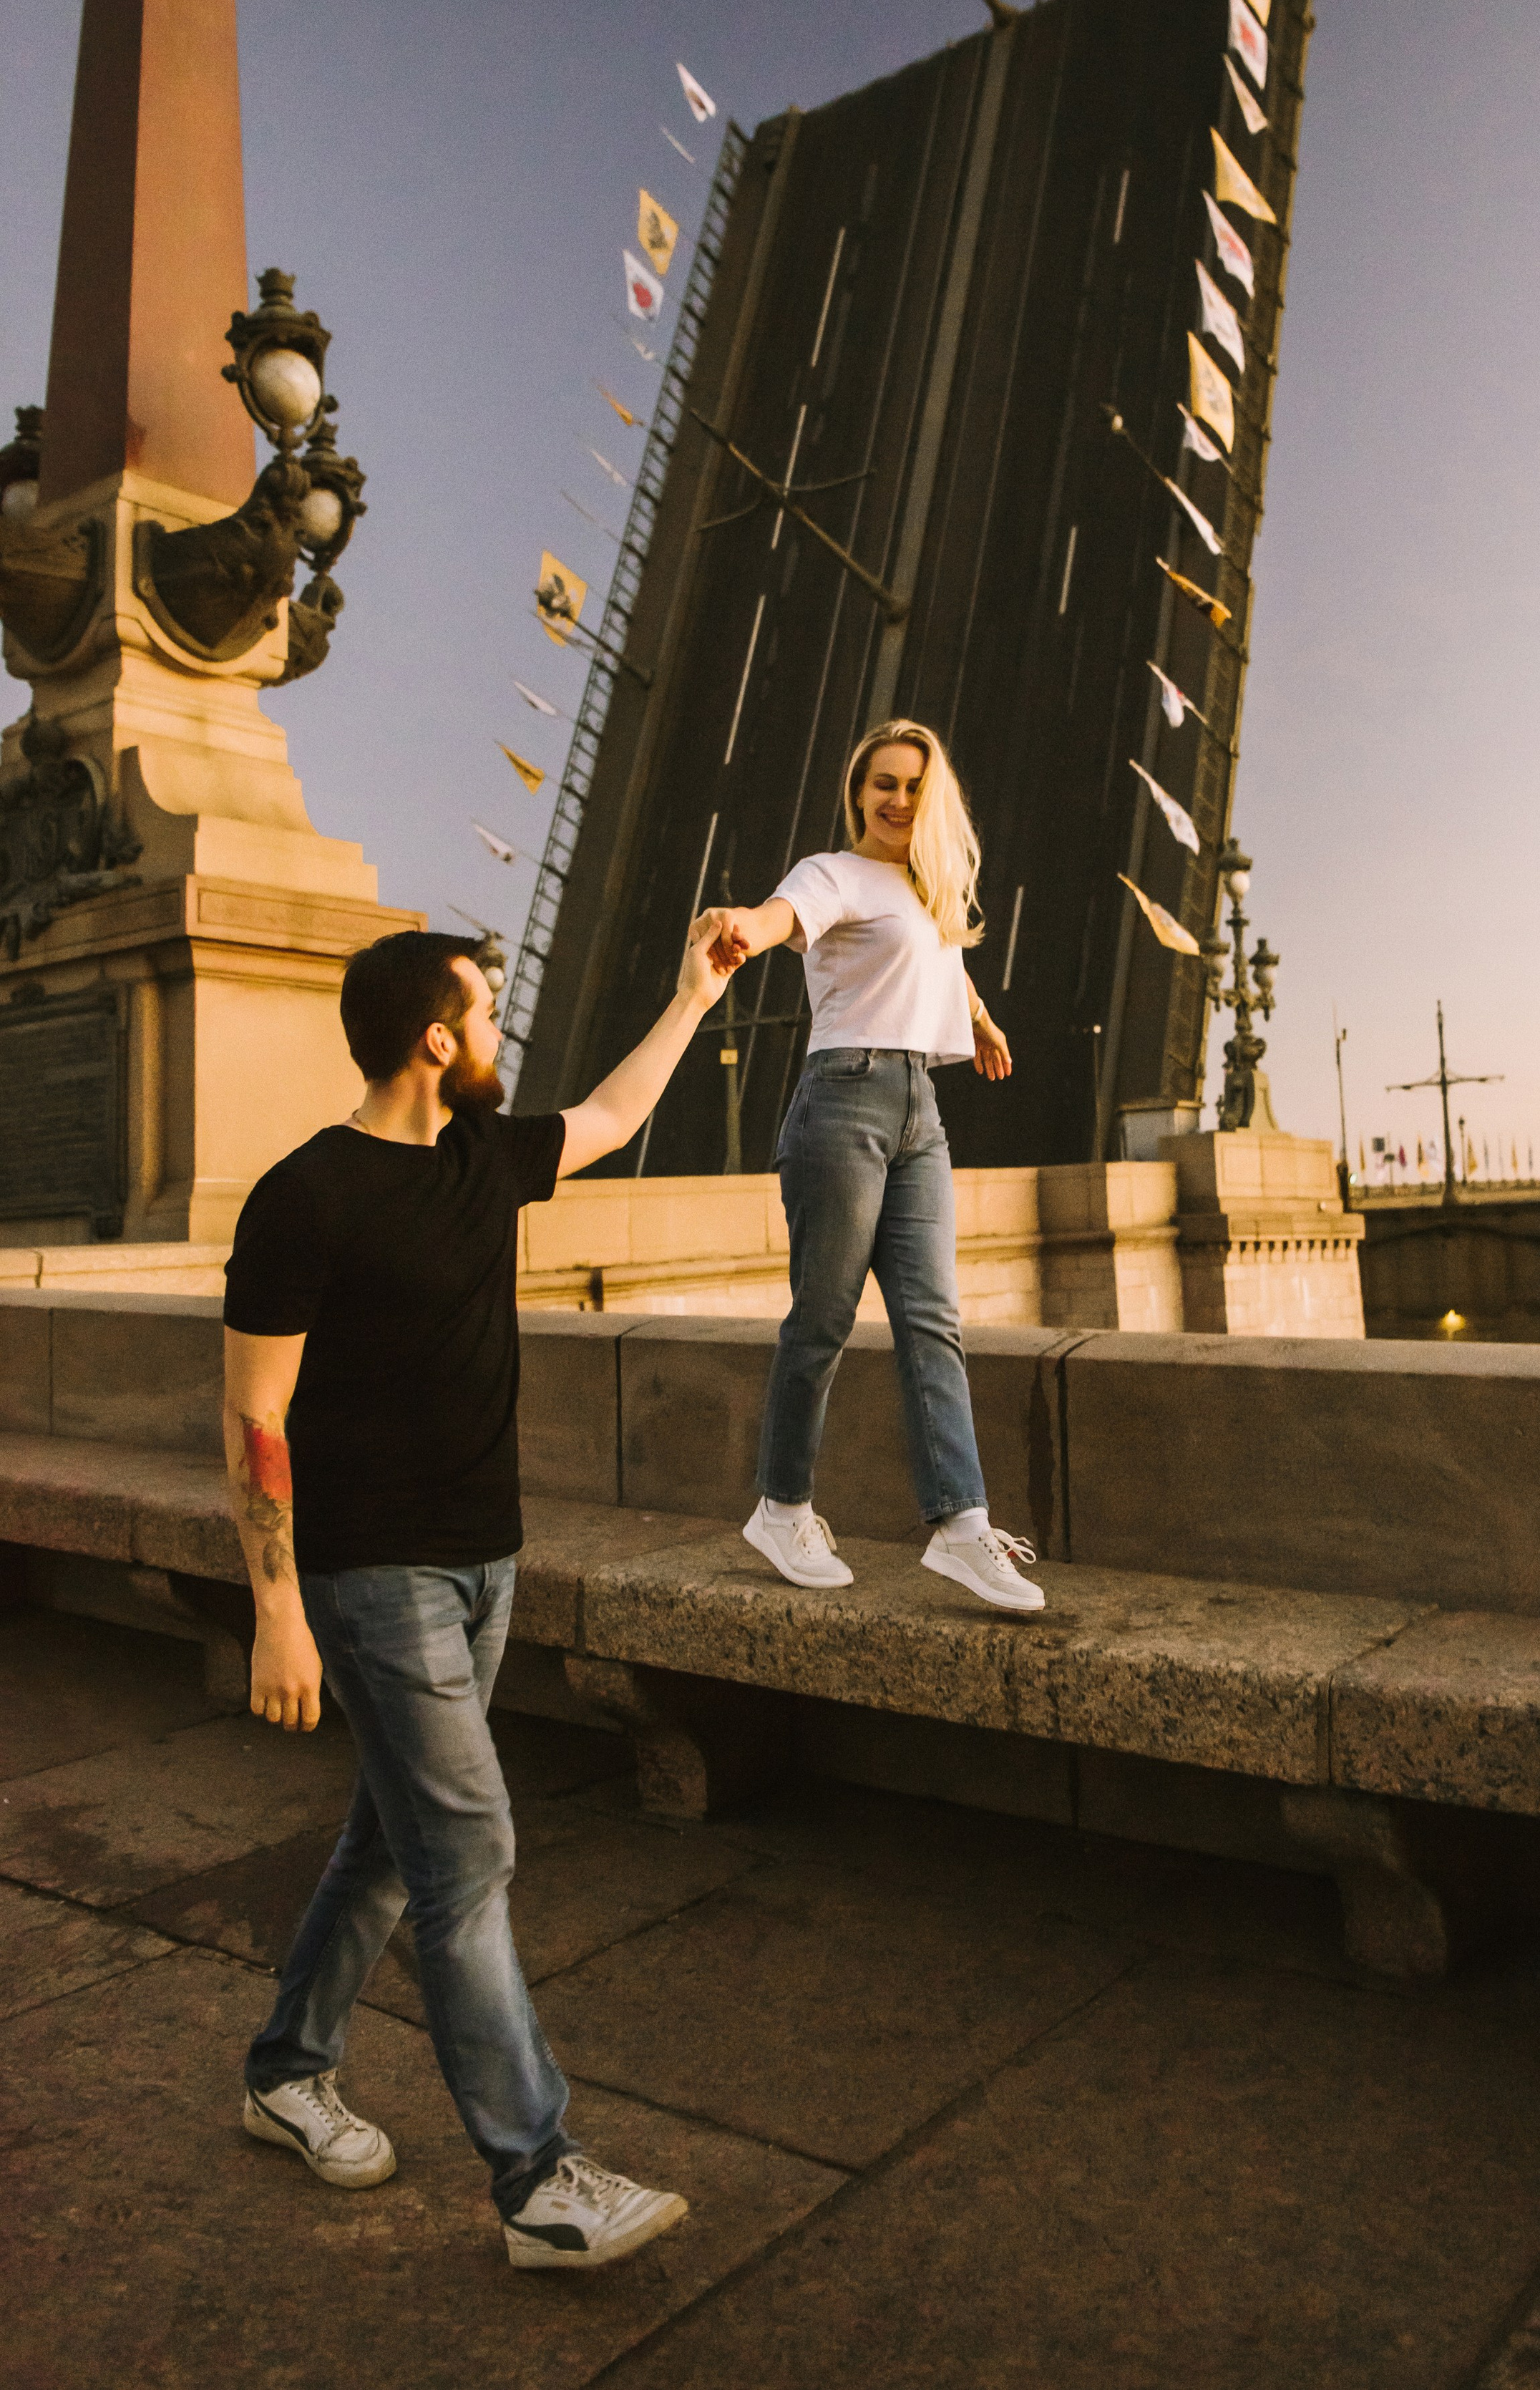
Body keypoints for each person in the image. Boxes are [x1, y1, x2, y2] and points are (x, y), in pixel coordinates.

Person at [222, 917, 728, 2270]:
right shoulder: (304, 1196)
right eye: (488, 1013)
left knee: (393, 1843)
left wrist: (692, 994)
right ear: (436, 1039)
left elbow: (613, 1114)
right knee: (469, 1852)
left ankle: (286, 2070)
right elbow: (255, 1415)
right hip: (369, 1574)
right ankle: (539, 2179)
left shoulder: (482, 1156)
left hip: (485, 1561)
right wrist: (277, 1610)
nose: (505, 1030)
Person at [706, 719, 1046, 1616]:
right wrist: (742, 926)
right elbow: (781, 918)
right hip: (843, 1103)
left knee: (933, 1320)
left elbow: (942, 958)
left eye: (913, 786)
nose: (898, 800)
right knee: (823, 1317)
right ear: (858, 791)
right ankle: (782, 1508)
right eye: (883, 783)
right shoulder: (833, 874)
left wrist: (981, 1020)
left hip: (919, 1110)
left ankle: (962, 1526)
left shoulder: (929, 887)